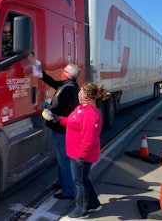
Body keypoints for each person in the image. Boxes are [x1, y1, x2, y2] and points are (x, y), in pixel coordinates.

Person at [47, 82, 109, 219]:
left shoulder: (90, 116)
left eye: (81, 91)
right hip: (75, 152)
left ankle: (82, 210)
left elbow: (88, 140)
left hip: (80, 155)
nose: (78, 93)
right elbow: (72, 121)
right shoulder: (81, 108)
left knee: (78, 182)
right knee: (83, 179)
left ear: (87, 96)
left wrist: (81, 157)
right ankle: (94, 204)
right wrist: (58, 119)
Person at [34, 61, 81, 199]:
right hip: (61, 130)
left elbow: (59, 111)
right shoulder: (66, 85)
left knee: (64, 161)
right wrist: (39, 70)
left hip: (62, 131)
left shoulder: (68, 90)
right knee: (61, 159)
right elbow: (52, 82)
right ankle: (63, 183)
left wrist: (46, 108)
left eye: (64, 70)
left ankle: (68, 191)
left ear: (68, 75)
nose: (62, 71)